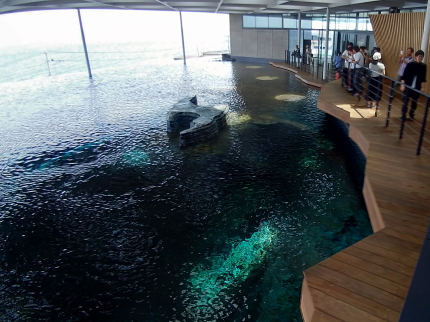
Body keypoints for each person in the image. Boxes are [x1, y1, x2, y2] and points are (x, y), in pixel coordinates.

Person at [400, 49, 427, 120]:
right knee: (406, 101)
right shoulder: (410, 65)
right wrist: (402, 85)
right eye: (419, 56)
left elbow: (423, 78)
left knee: (414, 102)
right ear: (415, 57)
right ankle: (403, 115)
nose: (420, 58)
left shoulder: (423, 66)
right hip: (408, 86)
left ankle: (411, 115)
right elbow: (404, 76)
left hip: (417, 87)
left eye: (421, 57)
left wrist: (422, 87)